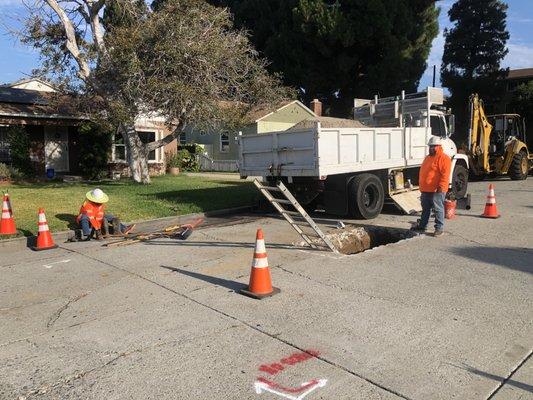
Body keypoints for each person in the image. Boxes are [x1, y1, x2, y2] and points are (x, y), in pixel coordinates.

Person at [412, 136, 452, 237]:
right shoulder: (428, 158)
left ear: (439, 147)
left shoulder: (444, 158)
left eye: (433, 146)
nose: (431, 148)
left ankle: (439, 229)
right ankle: (422, 226)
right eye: (430, 146)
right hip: (426, 189)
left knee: (438, 209)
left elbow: (445, 175)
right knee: (425, 209)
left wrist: (441, 187)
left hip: (437, 190)